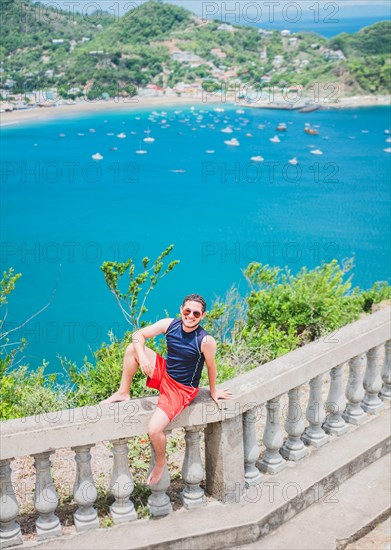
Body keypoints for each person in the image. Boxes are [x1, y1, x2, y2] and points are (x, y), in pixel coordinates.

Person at [101, 294, 232, 485]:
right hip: (165, 373)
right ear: (181, 310)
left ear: (202, 316)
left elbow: (211, 366)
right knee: (132, 348)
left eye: (196, 313)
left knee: (154, 430)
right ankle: (123, 392)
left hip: (181, 389)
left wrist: (213, 391)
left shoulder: (205, 340)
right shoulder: (169, 324)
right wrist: (143, 358)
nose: (190, 316)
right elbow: (138, 335)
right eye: (187, 311)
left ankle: (160, 463)